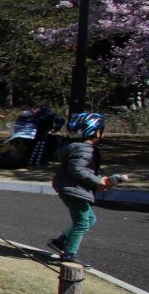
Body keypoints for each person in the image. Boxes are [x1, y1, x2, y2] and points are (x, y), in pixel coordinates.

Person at [47, 113, 129, 268]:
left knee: (90, 219)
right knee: (82, 223)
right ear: (97, 131)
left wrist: (100, 181)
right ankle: (69, 254)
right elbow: (76, 169)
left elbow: (82, 170)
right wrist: (97, 181)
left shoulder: (80, 148)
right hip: (73, 189)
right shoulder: (85, 149)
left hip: (72, 188)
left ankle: (62, 241)